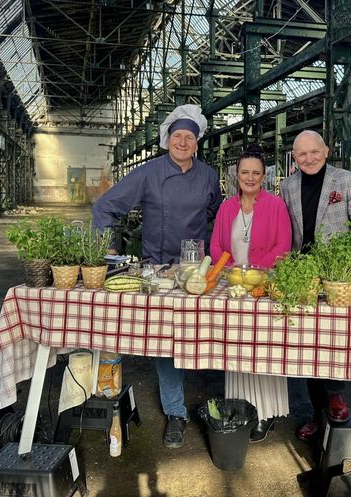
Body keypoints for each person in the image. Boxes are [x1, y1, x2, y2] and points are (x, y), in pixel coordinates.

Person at [92, 104, 222, 448]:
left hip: (195, 272)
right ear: (167, 139)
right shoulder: (149, 172)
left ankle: (225, 403)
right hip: (159, 272)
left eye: (189, 137)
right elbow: (105, 207)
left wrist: (213, 254)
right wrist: (104, 256)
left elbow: (217, 215)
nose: (182, 141)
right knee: (168, 343)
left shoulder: (209, 177)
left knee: (214, 332)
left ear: (197, 143)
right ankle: (176, 413)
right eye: (177, 135)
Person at [279, 130, 351, 441]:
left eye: (314, 152)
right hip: (304, 276)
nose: (308, 158)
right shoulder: (287, 185)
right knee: (309, 347)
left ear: (326, 150)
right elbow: (285, 229)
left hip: (338, 277)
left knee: (335, 341)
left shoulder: (345, 180)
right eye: (301, 154)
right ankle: (317, 415)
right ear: (294, 158)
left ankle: (337, 395)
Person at [209, 143, 292, 442]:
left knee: (265, 347)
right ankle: (241, 407)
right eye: (245, 171)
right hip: (233, 286)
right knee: (237, 347)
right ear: (236, 174)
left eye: (256, 172)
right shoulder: (226, 207)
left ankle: (266, 413)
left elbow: (283, 247)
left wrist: (253, 272)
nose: (250, 177)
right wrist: (234, 271)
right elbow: (216, 246)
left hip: (263, 287)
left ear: (264, 175)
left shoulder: (276, 205)